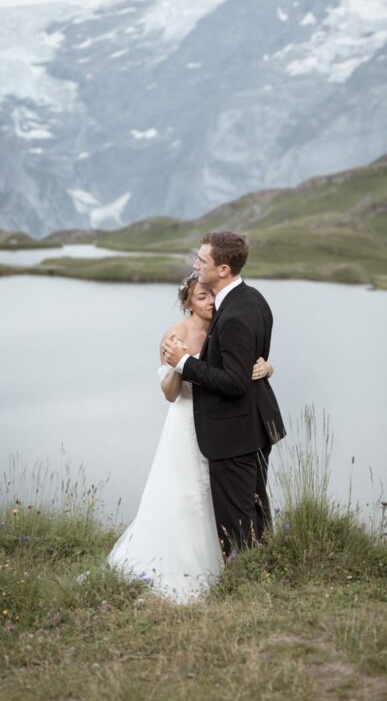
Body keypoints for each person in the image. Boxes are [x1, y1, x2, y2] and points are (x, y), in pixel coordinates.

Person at [107, 272, 273, 604]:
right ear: (187, 302)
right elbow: (170, 394)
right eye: (201, 297)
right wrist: (179, 364)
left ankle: (236, 565)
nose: (210, 302)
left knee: (223, 496)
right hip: (185, 424)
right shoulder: (174, 334)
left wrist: (268, 368)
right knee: (185, 496)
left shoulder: (227, 324)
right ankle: (185, 571)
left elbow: (240, 371)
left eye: (212, 295)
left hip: (223, 425)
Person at [162, 231, 286, 555]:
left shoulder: (233, 315)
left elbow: (235, 382)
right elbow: (246, 364)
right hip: (252, 428)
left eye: (202, 260)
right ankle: (261, 572)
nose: (196, 264)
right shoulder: (253, 298)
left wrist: (185, 362)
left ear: (223, 270)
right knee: (256, 511)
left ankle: (243, 585)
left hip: (234, 434)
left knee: (236, 523)